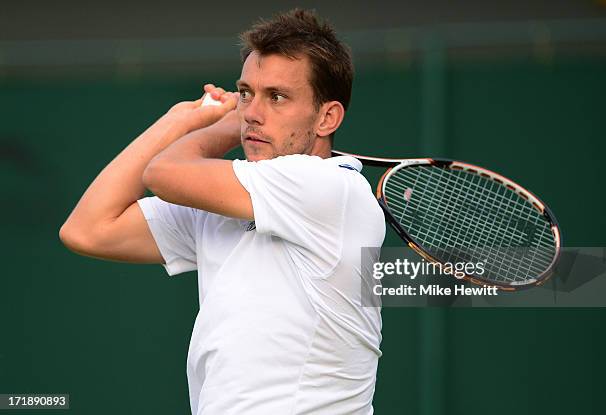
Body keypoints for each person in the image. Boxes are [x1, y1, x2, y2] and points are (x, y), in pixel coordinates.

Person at [59, 8, 385, 415]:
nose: (252, 111)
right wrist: (177, 119)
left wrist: (221, 126)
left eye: (277, 97)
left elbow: (163, 172)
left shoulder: (332, 187)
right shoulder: (235, 199)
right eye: (246, 93)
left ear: (327, 117)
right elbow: (88, 229)